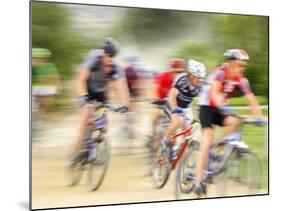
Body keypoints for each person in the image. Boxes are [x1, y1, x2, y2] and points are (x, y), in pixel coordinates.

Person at [194, 49, 264, 196]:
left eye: (244, 65)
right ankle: (198, 180)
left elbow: (250, 98)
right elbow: (214, 93)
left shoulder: (242, 80)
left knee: (235, 121)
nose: (242, 68)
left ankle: (218, 157)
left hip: (221, 108)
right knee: (208, 139)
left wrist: (259, 117)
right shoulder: (220, 73)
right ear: (231, 63)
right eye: (239, 65)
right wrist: (222, 106)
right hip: (207, 107)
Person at [70, 37, 130, 158]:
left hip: (101, 94)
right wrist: (84, 96)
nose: (110, 59)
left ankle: (95, 149)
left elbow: (122, 87)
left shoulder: (115, 68)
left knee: (104, 121)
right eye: (108, 55)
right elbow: (80, 80)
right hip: (86, 90)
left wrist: (125, 106)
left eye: (113, 56)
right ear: (103, 53)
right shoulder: (93, 61)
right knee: (87, 113)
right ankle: (77, 151)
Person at [160, 59, 206, 158]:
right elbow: (172, 96)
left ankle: (181, 154)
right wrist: (175, 109)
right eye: (196, 77)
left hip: (186, 107)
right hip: (173, 103)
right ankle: (165, 140)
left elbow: (204, 102)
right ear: (190, 74)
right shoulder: (181, 79)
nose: (198, 80)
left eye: (200, 77)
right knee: (177, 122)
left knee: (188, 133)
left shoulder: (202, 84)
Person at [150, 58, 186, 138]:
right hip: (161, 102)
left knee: (178, 120)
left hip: (172, 104)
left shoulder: (183, 81)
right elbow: (154, 89)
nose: (177, 74)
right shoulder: (164, 76)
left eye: (180, 72)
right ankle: (151, 134)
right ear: (170, 70)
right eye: (174, 72)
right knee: (155, 114)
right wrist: (156, 98)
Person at [32, 48, 61, 113]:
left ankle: (45, 110)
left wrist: (58, 87)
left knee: (46, 105)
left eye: (38, 58)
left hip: (48, 88)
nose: (36, 60)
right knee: (40, 104)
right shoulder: (34, 67)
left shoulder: (50, 66)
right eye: (35, 58)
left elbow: (56, 77)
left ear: (44, 58)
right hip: (38, 88)